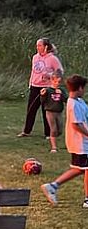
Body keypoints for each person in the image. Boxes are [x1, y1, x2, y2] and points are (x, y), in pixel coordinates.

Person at [41, 74, 88, 208]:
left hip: (82, 143)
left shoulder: (80, 101)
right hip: (80, 143)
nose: (84, 90)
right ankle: (87, 200)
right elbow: (76, 125)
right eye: (83, 88)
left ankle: (52, 186)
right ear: (79, 88)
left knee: (79, 169)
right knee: (85, 169)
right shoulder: (72, 104)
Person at [18, 38, 63, 138]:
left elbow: (60, 72)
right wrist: (31, 83)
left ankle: (48, 133)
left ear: (46, 47)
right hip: (35, 86)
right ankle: (26, 131)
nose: (37, 47)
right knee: (31, 109)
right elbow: (33, 72)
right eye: (37, 45)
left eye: (39, 45)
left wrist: (49, 75)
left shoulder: (52, 59)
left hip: (47, 88)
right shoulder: (35, 57)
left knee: (46, 110)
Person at [40, 72, 68, 153]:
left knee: (60, 130)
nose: (57, 84)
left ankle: (54, 138)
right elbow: (42, 102)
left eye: (59, 82)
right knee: (53, 129)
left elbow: (66, 100)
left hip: (59, 112)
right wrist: (42, 95)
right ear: (51, 81)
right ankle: (54, 147)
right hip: (50, 111)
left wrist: (61, 94)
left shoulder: (62, 90)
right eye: (55, 82)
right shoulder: (48, 90)